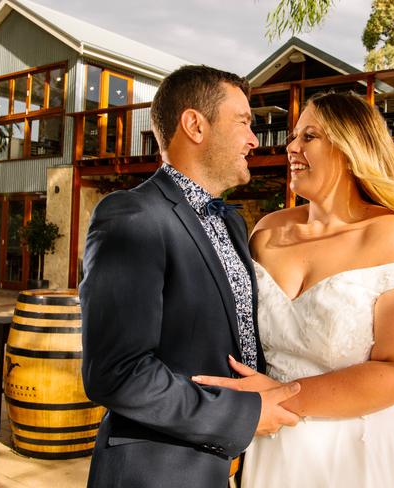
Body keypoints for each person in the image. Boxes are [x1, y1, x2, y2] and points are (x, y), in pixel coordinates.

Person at [193, 92, 394, 487]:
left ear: (350, 149)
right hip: (275, 450)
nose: (291, 147)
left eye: (309, 136)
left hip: (361, 453)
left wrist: (279, 397)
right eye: (294, 136)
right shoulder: (267, 231)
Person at [79, 65, 300, 488]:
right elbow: (117, 372)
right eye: (243, 123)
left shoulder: (233, 223)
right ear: (195, 125)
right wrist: (245, 415)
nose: (254, 140)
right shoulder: (132, 216)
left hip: (234, 466)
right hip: (160, 470)